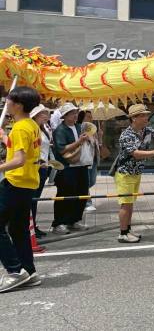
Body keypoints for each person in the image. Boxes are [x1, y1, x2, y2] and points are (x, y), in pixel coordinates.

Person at [114, 104, 154, 243]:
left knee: (130, 203)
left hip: (136, 172)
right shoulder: (126, 134)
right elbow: (135, 154)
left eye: (146, 115)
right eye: (142, 115)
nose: (146, 118)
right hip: (125, 173)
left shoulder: (146, 130)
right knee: (126, 204)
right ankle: (123, 233)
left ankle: (128, 230)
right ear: (133, 118)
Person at [0, 87, 42, 292]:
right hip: (27, 182)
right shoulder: (30, 125)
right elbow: (21, 149)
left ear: (18, 105)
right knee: (18, 230)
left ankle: (15, 271)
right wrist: (4, 137)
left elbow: (19, 159)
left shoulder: (19, 128)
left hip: (15, 182)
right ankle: (29, 271)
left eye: (8, 100)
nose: (6, 103)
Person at [51, 103, 91, 235]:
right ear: (65, 116)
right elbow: (62, 149)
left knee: (82, 193)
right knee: (65, 195)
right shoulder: (60, 130)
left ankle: (75, 220)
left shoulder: (80, 127)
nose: (75, 115)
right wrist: (79, 142)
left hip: (81, 165)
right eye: (72, 113)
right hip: (67, 167)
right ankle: (59, 222)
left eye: (75, 112)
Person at [30, 105, 52, 238]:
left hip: (43, 167)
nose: (46, 115)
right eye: (43, 113)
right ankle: (30, 227)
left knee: (35, 199)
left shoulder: (44, 128)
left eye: (46, 113)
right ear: (35, 115)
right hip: (35, 167)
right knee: (31, 198)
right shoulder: (32, 129)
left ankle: (33, 226)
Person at [77, 109, 101, 212]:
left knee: (92, 181)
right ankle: (87, 202)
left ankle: (80, 195)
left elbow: (97, 144)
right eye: (88, 116)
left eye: (91, 117)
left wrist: (100, 136)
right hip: (85, 159)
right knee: (86, 182)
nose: (90, 119)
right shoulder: (80, 129)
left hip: (94, 159)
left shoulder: (93, 129)